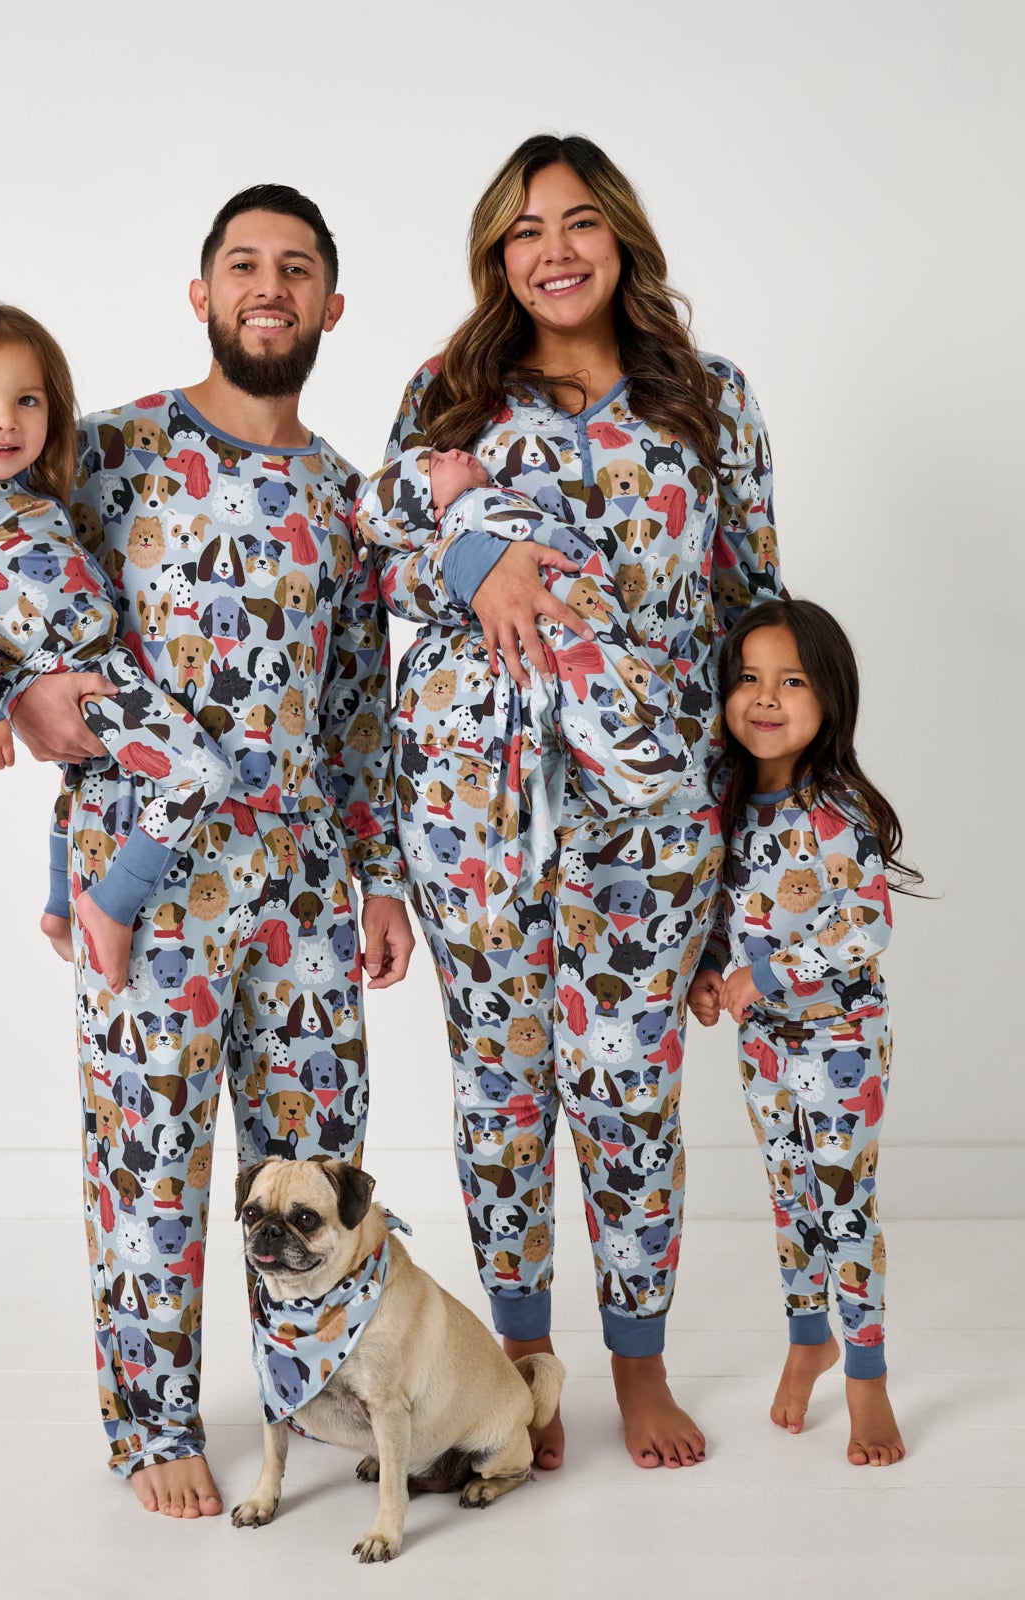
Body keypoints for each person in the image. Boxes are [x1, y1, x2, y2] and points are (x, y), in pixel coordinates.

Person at [0, 186, 414, 1517]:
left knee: (316, 1166)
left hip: (298, 893)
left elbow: (358, 709)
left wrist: (381, 877)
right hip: (148, 883)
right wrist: (15, 705)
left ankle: (315, 1398)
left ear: (331, 307)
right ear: (204, 294)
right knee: (149, 1162)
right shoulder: (106, 451)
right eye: (244, 264)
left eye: (297, 269)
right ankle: (151, 1425)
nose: (269, 285)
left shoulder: (345, 500)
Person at [374, 133, 780, 1471]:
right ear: (497, 256)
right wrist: (475, 551)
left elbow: (750, 612)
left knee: (628, 1087)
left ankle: (641, 1370)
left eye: (580, 223)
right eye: (525, 231)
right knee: (501, 1087)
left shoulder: (709, 401)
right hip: (472, 800)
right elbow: (378, 548)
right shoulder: (454, 388)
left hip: (650, 815)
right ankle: (527, 1375)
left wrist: (759, 840)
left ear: (622, 239)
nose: (554, 251)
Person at [0, 302, 232, 987]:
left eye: (28, 400)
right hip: (78, 675)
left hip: (100, 666)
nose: (5, 419)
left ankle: (59, 907)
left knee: (80, 781)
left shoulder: (35, 499)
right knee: (201, 774)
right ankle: (108, 905)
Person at [687, 598, 915, 1467]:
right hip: (765, 1047)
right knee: (790, 1198)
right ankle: (807, 1336)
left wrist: (766, 975)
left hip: (842, 1041)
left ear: (830, 699)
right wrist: (714, 972)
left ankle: (867, 1375)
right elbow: (721, 908)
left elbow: (867, 925)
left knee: (843, 1205)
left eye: (791, 681)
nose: (765, 699)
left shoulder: (838, 808)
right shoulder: (731, 803)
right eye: (747, 679)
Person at [356, 444, 687, 912]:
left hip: (677, 815)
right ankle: (634, 751)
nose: (453, 450)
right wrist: (462, 560)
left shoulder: (713, 391)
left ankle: (636, 751)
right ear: (428, 507)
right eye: (433, 464)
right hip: (466, 780)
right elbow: (382, 569)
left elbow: (751, 591)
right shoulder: (444, 406)